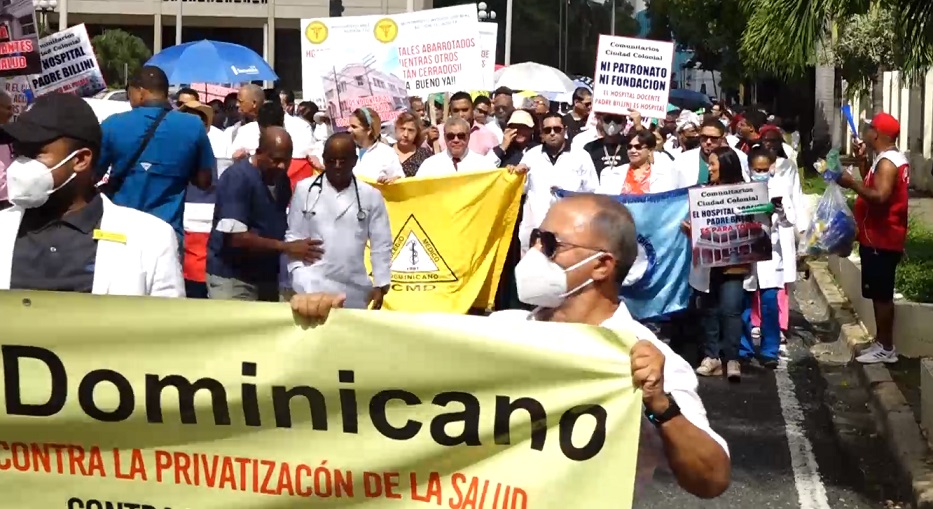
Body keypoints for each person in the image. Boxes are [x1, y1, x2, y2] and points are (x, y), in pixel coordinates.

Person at [290, 193, 731, 499]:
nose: (535, 253)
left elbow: (711, 479)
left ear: (601, 266)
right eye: (536, 239)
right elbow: (393, 370)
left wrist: (660, 405)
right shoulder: (503, 330)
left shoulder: (645, 360)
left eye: (552, 245)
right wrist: (329, 328)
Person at [0, 93, 183, 297]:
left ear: (80, 160)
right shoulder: (3, 227)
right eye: (18, 153)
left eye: (34, 154)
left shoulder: (151, 239)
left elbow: (167, 316)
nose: (20, 164)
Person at [97, 66, 214, 251]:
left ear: (140, 92)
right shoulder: (193, 126)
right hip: (167, 236)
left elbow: (92, 176)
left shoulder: (113, 124)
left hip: (119, 234)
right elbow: (205, 181)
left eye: (129, 93)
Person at [207, 127, 320, 301]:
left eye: (286, 160)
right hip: (234, 279)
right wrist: (287, 247)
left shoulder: (281, 180)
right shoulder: (237, 178)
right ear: (259, 153)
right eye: (276, 160)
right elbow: (236, 238)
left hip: (266, 277)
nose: (282, 166)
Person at [286, 133, 392, 309]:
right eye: (331, 160)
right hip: (311, 284)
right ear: (323, 159)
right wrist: (298, 274)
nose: (336, 166)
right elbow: (293, 236)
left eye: (342, 161)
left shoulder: (371, 195)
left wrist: (381, 284)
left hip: (354, 288)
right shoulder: (305, 190)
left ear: (354, 161)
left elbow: (381, 243)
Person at [838, 112, 910, 364]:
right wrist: (862, 162)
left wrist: (851, 183)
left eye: (869, 128)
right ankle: (881, 342)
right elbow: (875, 184)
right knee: (879, 293)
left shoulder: (888, 163)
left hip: (882, 238)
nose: (865, 131)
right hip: (877, 237)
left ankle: (886, 348)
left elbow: (879, 196)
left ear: (876, 134)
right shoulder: (886, 158)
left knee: (882, 296)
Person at [690, 147, 750, 380]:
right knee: (709, 310)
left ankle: (732, 359)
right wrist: (690, 230)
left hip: (734, 263)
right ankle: (712, 357)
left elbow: (757, 221)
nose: (709, 168)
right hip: (708, 262)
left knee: (731, 310)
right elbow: (694, 221)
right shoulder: (702, 193)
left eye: (713, 163)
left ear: (726, 165)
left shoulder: (746, 193)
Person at [740, 147, 795, 371]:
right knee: (744, 303)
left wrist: (779, 210)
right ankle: (744, 350)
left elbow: (789, 220)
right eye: (757, 169)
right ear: (749, 169)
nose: (761, 173)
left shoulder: (779, 188)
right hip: (747, 254)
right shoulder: (741, 190)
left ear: (772, 168)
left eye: (764, 169)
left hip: (771, 257)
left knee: (770, 303)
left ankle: (770, 350)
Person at [517, 112, 598, 253]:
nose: (552, 133)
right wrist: (516, 175)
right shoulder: (531, 156)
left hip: (570, 229)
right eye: (547, 130)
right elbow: (520, 190)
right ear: (541, 134)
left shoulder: (581, 156)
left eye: (557, 129)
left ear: (565, 130)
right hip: (536, 230)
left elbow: (592, 192)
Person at [598, 129, 679, 195]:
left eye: (638, 147)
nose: (632, 150)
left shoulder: (664, 177)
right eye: (629, 147)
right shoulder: (610, 174)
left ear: (650, 151)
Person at [674, 118, 749, 187]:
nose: (708, 142)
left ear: (722, 138)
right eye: (704, 137)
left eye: (713, 138)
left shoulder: (737, 157)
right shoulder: (682, 160)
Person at [417, 117, 497, 177]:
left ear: (468, 136)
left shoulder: (484, 165)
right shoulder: (430, 166)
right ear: (444, 137)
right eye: (450, 136)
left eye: (461, 136)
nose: (456, 140)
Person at [346, 107, 405, 182]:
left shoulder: (386, 153)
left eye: (354, 127)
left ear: (369, 130)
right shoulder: (347, 150)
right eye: (349, 126)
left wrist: (390, 181)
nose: (349, 130)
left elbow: (400, 179)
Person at [437, 91, 499, 156]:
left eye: (465, 110)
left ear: (473, 109)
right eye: (456, 111)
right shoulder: (438, 133)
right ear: (450, 111)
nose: (460, 114)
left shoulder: (488, 135)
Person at [582, 113, 629, 180]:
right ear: (601, 121)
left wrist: (638, 127)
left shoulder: (631, 146)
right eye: (608, 119)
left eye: (617, 120)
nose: (612, 124)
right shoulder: (590, 148)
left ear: (624, 123)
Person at [392, 112, 433, 177]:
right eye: (402, 129)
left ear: (417, 133)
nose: (405, 134)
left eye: (410, 130)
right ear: (396, 129)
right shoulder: (385, 153)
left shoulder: (424, 155)